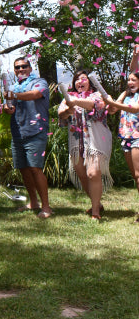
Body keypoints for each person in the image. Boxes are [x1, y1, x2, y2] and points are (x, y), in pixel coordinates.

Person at [57, 70, 112, 220]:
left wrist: (74, 102)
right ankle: (97, 204)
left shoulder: (97, 95)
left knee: (93, 173)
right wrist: (68, 110)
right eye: (77, 79)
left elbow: (94, 105)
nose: (80, 81)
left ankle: (95, 212)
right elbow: (61, 114)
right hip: (76, 142)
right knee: (82, 174)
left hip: (96, 140)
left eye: (84, 78)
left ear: (90, 82)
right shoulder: (69, 98)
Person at [3, 57, 52, 219]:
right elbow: (10, 107)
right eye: (17, 67)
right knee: (24, 169)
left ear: (30, 68)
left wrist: (14, 95)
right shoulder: (14, 86)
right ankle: (33, 202)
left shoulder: (39, 82)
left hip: (35, 131)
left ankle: (46, 207)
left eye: (24, 66)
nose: (21, 69)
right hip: (18, 132)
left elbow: (36, 94)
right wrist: (7, 107)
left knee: (35, 168)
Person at [105, 69, 139, 223]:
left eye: (134, 80)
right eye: (129, 80)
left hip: (137, 137)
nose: (130, 82)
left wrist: (112, 103)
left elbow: (135, 109)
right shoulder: (126, 95)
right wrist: (112, 102)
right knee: (135, 176)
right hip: (126, 136)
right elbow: (112, 111)